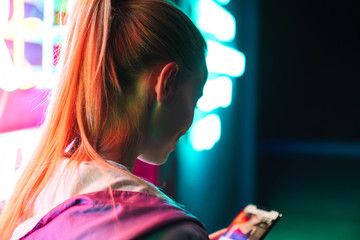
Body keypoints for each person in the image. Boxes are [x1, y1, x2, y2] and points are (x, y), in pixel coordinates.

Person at [0, 0, 228, 239]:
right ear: (167, 83)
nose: (191, 118)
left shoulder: (29, 195)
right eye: (195, 100)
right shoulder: (166, 226)